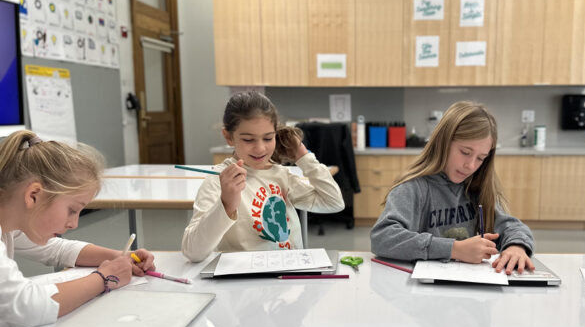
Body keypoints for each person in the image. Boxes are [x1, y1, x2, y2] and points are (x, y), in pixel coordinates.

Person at [0, 131, 155, 327]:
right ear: (33, 195)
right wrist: (103, 278)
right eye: (72, 210)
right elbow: (25, 307)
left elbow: (57, 249)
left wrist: (122, 257)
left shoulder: (9, 223)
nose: (74, 224)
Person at [370, 101, 535, 273]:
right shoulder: (413, 188)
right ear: (443, 142)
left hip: (470, 288)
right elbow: (382, 237)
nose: (471, 166)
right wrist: (454, 249)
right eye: (465, 152)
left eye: (480, 158)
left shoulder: (477, 188)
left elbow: (513, 227)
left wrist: (516, 246)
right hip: (421, 291)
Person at [182, 91, 344, 262]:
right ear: (229, 137)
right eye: (248, 140)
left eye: (268, 138)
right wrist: (226, 204)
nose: (260, 149)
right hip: (245, 281)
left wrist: (303, 156)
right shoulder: (218, 181)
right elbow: (193, 252)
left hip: (288, 277)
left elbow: (333, 203)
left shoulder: (281, 175)